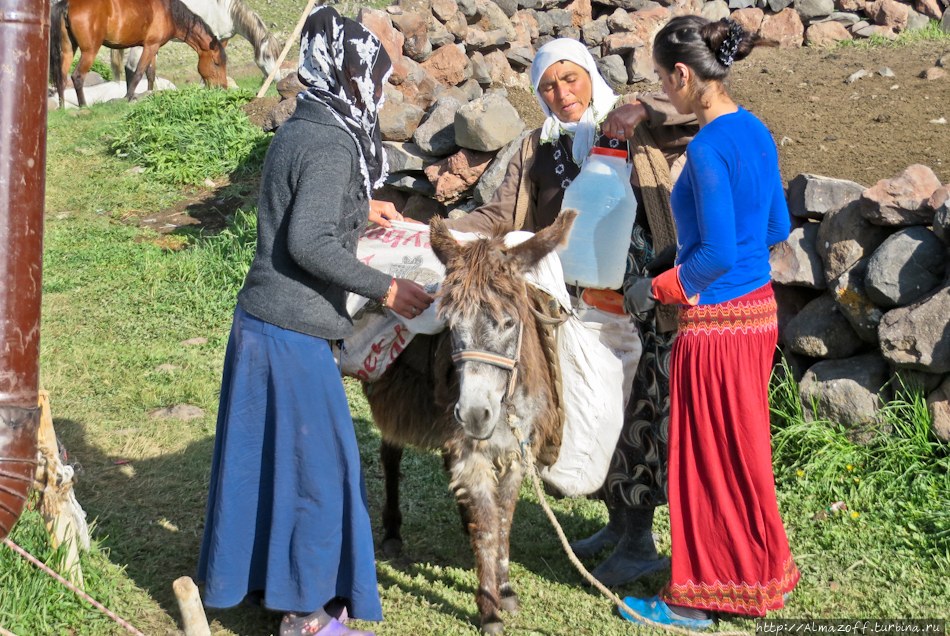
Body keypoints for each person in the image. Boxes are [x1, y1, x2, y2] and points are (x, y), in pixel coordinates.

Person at [196, 7, 433, 636]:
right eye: (372, 83)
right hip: (293, 332)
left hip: (262, 323)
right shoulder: (331, 143)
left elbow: (304, 211)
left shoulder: (305, 124)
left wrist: (361, 212)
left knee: (268, 462)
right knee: (320, 473)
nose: (376, 96)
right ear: (351, 77)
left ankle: (257, 583)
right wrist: (388, 287)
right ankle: (306, 613)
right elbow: (308, 244)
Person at [442, 37, 698, 587]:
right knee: (600, 411)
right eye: (548, 85)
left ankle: (638, 539)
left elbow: (698, 109)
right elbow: (501, 212)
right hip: (575, 306)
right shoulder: (539, 146)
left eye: (571, 79)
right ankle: (616, 524)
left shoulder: (631, 124)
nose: (561, 94)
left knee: (642, 416)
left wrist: (646, 107)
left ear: (589, 76)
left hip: (645, 301)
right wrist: (450, 232)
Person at [619, 16, 798, 629]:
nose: (663, 94)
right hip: (759, 314)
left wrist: (659, 286)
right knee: (742, 453)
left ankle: (696, 596)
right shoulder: (755, 131)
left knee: (704, 459)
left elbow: (716, 253)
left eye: (664, 82)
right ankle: (757, 571)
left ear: (684, 74)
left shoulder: (708, 147)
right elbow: (776, 229)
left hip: (716, 323)